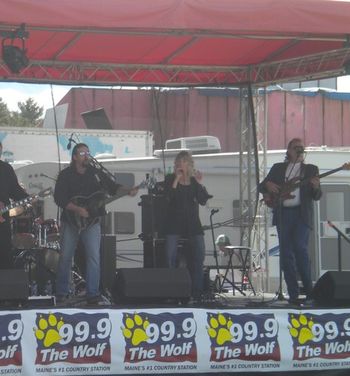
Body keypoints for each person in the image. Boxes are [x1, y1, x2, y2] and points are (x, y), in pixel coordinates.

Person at [54, 143, 138, 303]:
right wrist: (78, 209)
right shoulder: (65, 175)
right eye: (82, 153)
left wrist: (128, 190)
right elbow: (59, 198)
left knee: (94, 256)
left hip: (92, 221)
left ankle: (93, 293)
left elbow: (112, 187)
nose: (86, 155)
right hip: (71, 221)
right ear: (74, 157)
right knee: (65, 256)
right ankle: (61, 292)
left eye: (88, 152)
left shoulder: (95, 173)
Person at [258, 138, 322, 304]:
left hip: (301, 215)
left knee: (300, 249)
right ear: (289, 151)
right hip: (283, 214)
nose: (299, 150)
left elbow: (317, 196)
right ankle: (293, 294)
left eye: (302, 147)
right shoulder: (278, 168)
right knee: (286, 254)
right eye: (296, 147)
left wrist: (315, 187)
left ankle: (309, 292)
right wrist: (268, 185)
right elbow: (261, 186)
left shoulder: (310, 169)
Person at [163, 150, 212, 299]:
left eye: (183, 161)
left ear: (188, 164)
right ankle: (170, 290)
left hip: (192, 223)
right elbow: (168, 197)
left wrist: (200, 183)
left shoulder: (194, 181)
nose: (179, 164)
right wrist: (176, 180)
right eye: (178, 162)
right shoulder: (170, 178)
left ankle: (196, 291)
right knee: (169, 256)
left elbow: (203, 200)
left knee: (199, 254)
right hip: (174, 222)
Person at [0, 141, 28, 269]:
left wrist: (28, 198)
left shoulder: (5, 169)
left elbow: (15, 191)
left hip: (3, 221)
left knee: (4, 255)